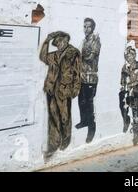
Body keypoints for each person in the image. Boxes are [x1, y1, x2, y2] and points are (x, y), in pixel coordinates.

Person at [39, 31, 81, 159]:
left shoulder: (73, 53)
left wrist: (76, 89)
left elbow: (78, 72)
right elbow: (43, 57)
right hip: (51, 88)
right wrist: (46, 41)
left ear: (66, 40)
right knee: (53, 117)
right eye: (56, 43)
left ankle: (65, 142)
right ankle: (53, 144)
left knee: (64, 117)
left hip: (64, 89)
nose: (58, 45)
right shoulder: (55, 54)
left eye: (59, 41)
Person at [76, 18, 101, 144]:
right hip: (82, 77)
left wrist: (79, 56)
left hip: (91, 77)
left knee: (89, 104)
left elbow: (91, 57)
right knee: (81, 101)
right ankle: (84, 121)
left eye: (88, 27)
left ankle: (92, 129)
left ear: (93, 28)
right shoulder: (84, 41)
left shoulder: (95, 40)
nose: (86, 29)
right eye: (84, 26)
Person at [119, 46, 138, 145]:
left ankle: (135, 132)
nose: (129, 57)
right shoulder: (125, 67)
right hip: (128, 92)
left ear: (134, 55)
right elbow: (122, 80)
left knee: (135, 112)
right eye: (127, 56)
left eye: (131, 55)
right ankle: (126, 121)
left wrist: (131, 84)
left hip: (137, 92)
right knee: (123, 107)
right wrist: (124, 86)